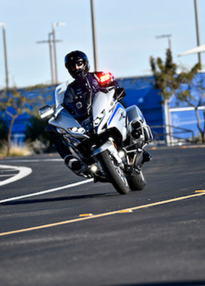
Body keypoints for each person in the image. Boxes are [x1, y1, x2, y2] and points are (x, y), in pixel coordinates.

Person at [55, 50, 119, 171]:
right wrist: (60, 113)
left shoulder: (97, 76)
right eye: (72, 66)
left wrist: (114, 87)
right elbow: (66, 104)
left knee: (125, 108)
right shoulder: (71, 88)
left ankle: (134, 134)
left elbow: (112, 82)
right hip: (86, 121)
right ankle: (73, 159)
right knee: (57, 135)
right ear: (69, 69)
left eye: (79, 64)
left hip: (106, 113)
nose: (76, 68)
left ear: (85, 64)